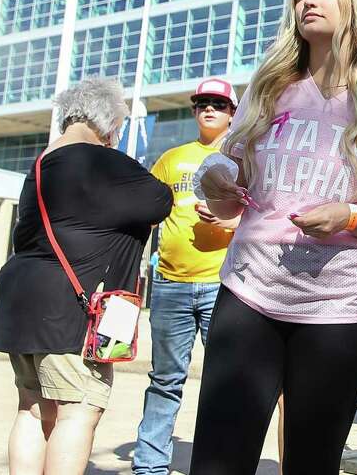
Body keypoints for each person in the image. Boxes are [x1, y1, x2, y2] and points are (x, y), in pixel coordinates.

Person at [191, 0, 357, 474]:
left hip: (342, 312)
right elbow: (230, 198)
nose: (309, 2)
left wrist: (349, 217)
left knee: (311, 463)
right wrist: (214, 181)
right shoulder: (268, 88)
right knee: (216, 460)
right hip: (249, 294)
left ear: (355, 3)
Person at [0, 78, 172, 475]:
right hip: (69, 307)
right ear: (109, 124)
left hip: (21, 297)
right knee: (78, 410)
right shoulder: (105, 161)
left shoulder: (39, 165)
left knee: (33, 408)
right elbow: (159, 200)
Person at [132, 78, 238, 475]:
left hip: (225, 286)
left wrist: (231, 219)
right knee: (164, 380)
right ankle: (149, 466)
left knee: (226, 381)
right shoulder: (171, 159)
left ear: (232, 112)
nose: (209, 109)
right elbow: (147, 213)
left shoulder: (243, 156)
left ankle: (220, 464)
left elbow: (265, 217)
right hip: (171, 285)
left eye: (219, 104)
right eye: (201, 103)